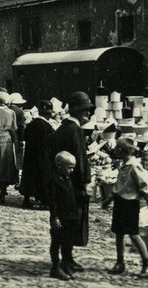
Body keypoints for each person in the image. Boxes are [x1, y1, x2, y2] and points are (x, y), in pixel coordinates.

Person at [48, 91, 94, 273]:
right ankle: (65, 261)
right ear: (78, 112)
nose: (88, 115)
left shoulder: (61, 129)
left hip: (61, 183)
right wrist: (84, 182)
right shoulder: (75, 131)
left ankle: (68, 259)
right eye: (85, 111)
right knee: (71, 226)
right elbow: (81, 161)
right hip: (74, 187)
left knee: (65, 227)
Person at [102, 137, 148, 277]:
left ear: (121, 150)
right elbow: (119, 187)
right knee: (119, 233)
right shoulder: (124, 165)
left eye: (117, 149)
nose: (115, 152)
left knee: (134, 234)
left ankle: (147, 264)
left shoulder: (134, 165)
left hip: (130, 204)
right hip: (120, 202)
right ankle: (120, 263)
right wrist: (109, 199)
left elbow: (144, 186)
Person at [47, 151, 79, 281]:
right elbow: (52, 201)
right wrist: (54, 217)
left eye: (73, 168)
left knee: (68, 242)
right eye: (69, 167)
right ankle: (55, 266)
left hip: (70, 216)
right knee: (56, 242)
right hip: (60, 217)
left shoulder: (67, 179)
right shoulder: (53, 180)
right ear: (59, 165)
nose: (71, 170)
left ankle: (65, 263)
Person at [20, 99, 55, 209]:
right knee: (42, 176)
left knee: (29, 175)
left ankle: (26, 199)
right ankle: (43, 200)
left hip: (30, 155)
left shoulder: (31, 125)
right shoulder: (47, 127)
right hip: (42, 156)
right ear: (47, 114)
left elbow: (24, 136)